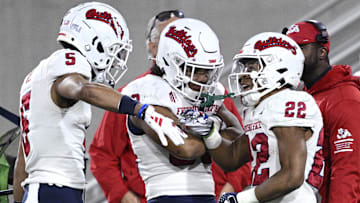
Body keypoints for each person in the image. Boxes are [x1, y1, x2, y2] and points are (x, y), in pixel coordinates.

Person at [13, 2, 186, 203]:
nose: (115, 60)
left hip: (39, 190)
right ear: (94, 42)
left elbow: (23, 163)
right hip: (55, 190)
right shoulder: (69, 61)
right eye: (114, 50)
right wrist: (141, 110)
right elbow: (79, 88)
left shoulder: (35, 77)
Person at [90, 11, 251, 203]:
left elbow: (241, 147)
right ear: (169, 59)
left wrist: (208, 133)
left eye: (208, 71)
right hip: (165, 195)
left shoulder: (213, 89)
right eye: (194, 70)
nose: (202, 78)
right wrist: (215, 135)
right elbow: (186, 148)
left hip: (209, 196)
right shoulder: (144, 92)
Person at [181, 32, 325, 203]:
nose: (243, 75)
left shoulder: (287, 101)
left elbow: (292, 176)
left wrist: (240, 199)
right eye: (244, 68)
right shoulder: (260, 107)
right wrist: (209, 132)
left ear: (278, 67)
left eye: (251, 67)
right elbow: (232, 157)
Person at [90, 9, 185, 203]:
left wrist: (230, 186)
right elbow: (102, 154)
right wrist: (123, 196)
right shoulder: (130, 95)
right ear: (152, 47)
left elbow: (236, 147)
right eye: (169, 40)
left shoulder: (215, 95)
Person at [284, 20, 360, 203]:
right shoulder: (304, 97)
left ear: (322, 52)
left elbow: (348, 169)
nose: (292, 55)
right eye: (289, 49)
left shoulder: (344, 99)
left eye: (300, 47)